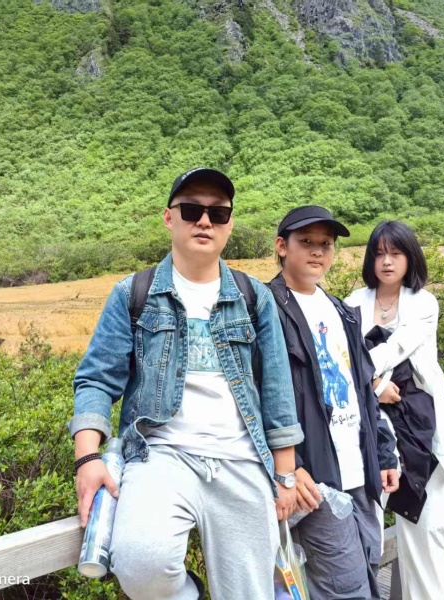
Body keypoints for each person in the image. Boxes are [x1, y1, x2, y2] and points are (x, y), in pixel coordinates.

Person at [68, 167, 303, 600]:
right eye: (192, 210)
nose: (205, 221)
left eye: (218, 213)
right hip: (161, 455)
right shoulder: (133, 294)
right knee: (141, 563)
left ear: (229, 224)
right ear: (169, 217)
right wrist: (87, 459)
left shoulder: (254, 297)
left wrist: (285, 476)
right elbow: (96, 379)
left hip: (241, 459)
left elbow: (277, 389)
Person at [267, 205, 400, 600]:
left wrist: (384, 454)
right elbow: (257, 397)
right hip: (316, 480)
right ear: (282, 246)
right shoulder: (267, 309)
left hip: (360, 470)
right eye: (306, 241)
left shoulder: (341, 310)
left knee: (368, 566)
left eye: (325, 244)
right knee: (344, 588)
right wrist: (290, 467)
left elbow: (362, 391)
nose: (317, 251)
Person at [346, 220, 444, 600]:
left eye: (395, 253)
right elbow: (339, 358)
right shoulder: (353, 302)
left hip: (419, 429)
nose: (387, 262)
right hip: (370, 429)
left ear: (410, 257)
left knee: (427, 531)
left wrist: (363, 374)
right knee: (364, 531)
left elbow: (397, 348)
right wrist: (374, 387)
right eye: (379, 254)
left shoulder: (423, 303)